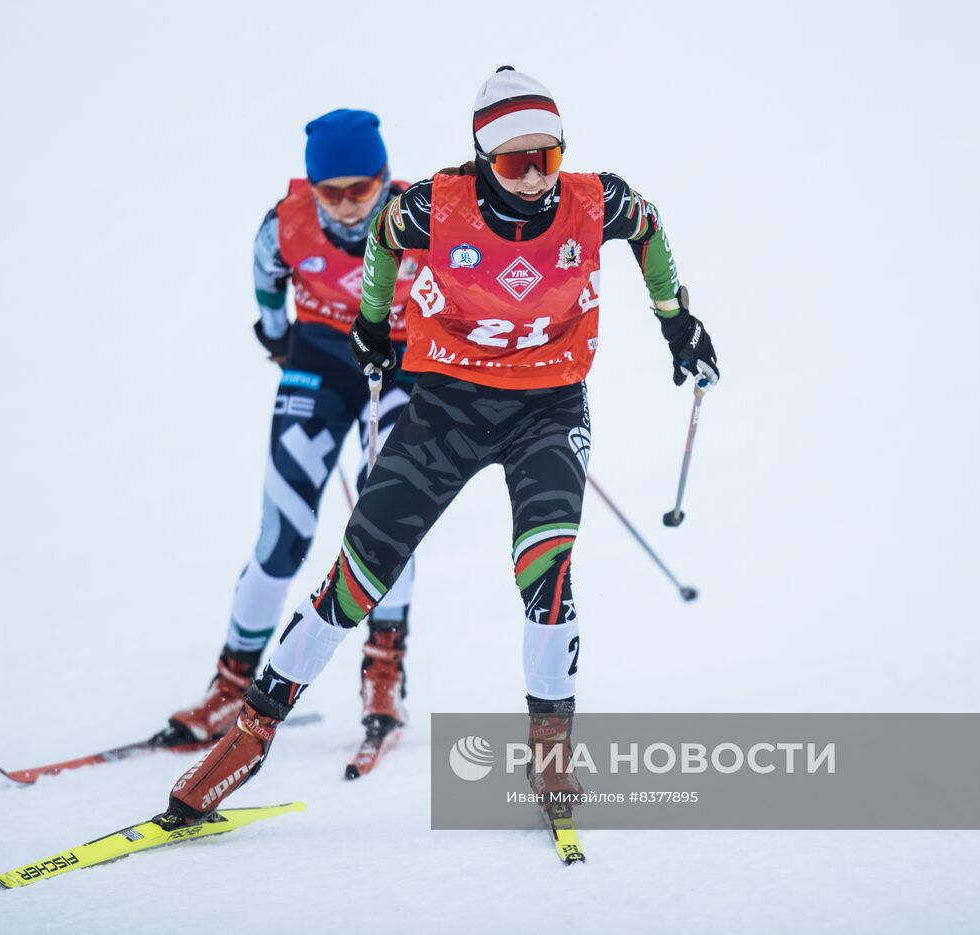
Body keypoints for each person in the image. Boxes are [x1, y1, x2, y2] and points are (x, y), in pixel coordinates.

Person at [162, 67, 720, 823]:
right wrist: (370, 321)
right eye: (515, 162)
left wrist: (675, 318)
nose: (534, 179)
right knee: (356, 577)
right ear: (485, 159)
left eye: (546, 158)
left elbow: (648, 224)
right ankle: (249, 738)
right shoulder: (431, 207)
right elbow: (387, 242)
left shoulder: (595, 198)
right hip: (446, 406)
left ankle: (551, 753)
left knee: (547, 566)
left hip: (549, 409)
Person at [165, 110, 425, 765]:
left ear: (383, 177)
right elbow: (267, 282)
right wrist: (277, 335)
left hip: (400, 366)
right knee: (282, 534)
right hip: (320, 361)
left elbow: (468, 286)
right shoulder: (285, 222)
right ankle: (231, 684)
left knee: (384, 520)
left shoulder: (421, 218)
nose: (343, 206)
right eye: (327, 191)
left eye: (359, 189)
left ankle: (382, 675)